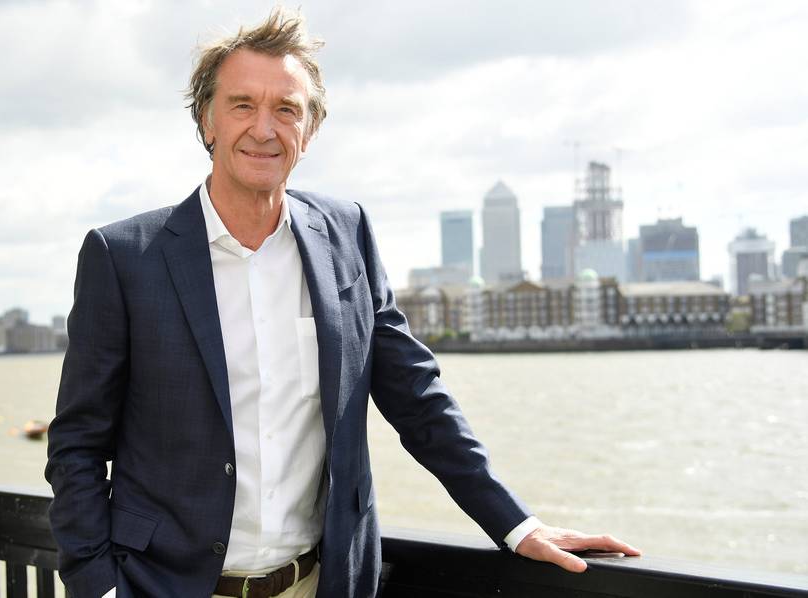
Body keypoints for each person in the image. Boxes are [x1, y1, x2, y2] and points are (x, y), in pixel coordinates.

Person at [44, 8, 639, 598]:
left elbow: (416, 397)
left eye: (287, 109)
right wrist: (97, 587)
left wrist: (517, 524)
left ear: (310, 130)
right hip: (162, 587)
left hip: (320, 583)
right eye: (242, 104)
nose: (264, 127)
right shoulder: (123, 257)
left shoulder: (346, 233)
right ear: (207, 121)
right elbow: (77, 445)